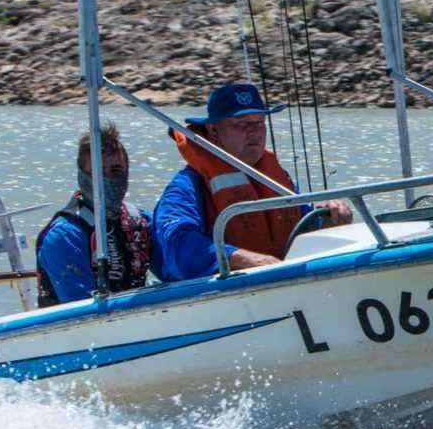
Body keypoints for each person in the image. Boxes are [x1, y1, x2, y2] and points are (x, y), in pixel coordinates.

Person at [153, 82, 352, 278]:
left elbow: (301, 226)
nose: (254, 131)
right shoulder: (185, 186)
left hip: (286, 281)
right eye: (241, 124)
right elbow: (176, 244)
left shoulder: (273, 179)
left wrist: (326, 216)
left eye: (259, 122)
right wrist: (241, 259)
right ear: (213, 131)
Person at [34, 121, 155, 306]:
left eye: (116, 171)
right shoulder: (64, 237)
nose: (107, 179)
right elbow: (79, 307)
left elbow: (176, 268)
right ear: (82, 175)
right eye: (98, 172)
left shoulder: (141, 221)